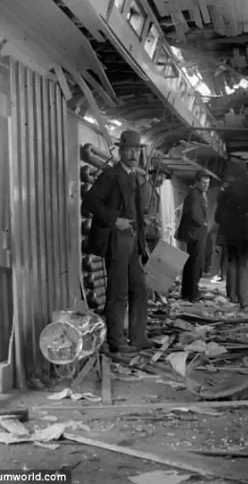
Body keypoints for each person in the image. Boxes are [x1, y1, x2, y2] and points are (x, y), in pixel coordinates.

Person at [82, 130, 156, 354]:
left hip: (132, 239)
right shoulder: (111, 175)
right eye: (129, 150)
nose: (133, 153)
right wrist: (115, 220)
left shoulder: (134, 176)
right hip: (116, 238)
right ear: (121, 151)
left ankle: (138, 337)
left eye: (137, 150)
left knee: (140, 288)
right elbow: (91, 200)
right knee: (118, 290)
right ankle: (116, 340)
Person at [215, 158, 248, 310]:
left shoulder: (231, 187)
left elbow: (219, 214)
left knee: (240, 265)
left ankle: (242, 300)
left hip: (233, 233)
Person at [176, 171, 210, 302]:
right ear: (197, 182)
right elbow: (195, 214)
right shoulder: (195, 195)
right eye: (203, 182)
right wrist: (204, 223)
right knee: (196, 264)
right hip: (195, 233)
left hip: (194, 233)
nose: (206, 185)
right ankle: (193, 293)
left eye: (208, 183)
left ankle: (187, 292)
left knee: (191, 263)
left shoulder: (197, 194)